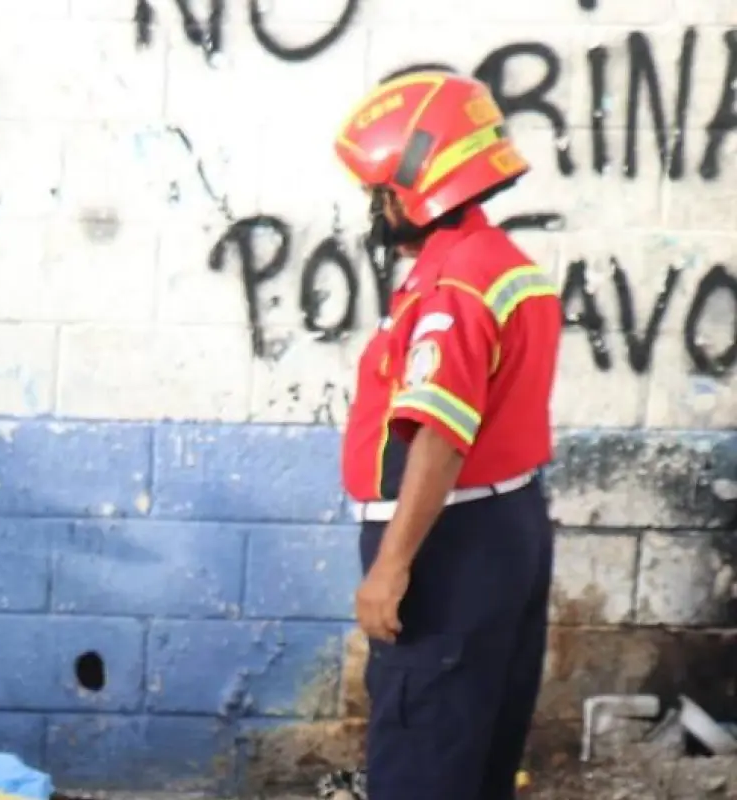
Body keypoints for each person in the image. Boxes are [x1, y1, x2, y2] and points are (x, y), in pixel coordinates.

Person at [332, 70, 563, 799]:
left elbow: (438, 435)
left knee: (422, 757)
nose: (375, 209)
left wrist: (392, 566)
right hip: (504, 527)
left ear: (415, 183)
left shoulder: (450, 288)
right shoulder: (502, 267)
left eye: (380, 193)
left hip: (446, 545)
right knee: (475, 759)